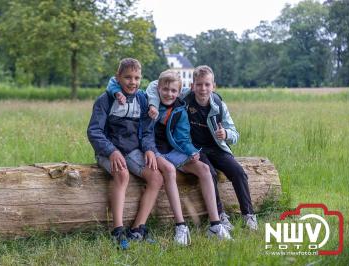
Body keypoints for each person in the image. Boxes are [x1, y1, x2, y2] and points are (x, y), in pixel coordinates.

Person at [108, 69, 232, 243]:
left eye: (174, 90)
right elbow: (114, 82)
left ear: (179, 91)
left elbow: (182, 137)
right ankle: (180, 226)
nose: (169, 94)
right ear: (158, 88)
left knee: (203, 169)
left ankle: (215, 224)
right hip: (151, 148)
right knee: (169, 169)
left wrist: (191, 152)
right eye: (165, 89)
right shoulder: (148, 100)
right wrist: (117, 92)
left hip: (171, 148)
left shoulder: (180, 108)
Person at [146, 65, 258, 231]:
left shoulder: (219, 105)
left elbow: (235, 133)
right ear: (192, 86)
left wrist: (226, 134)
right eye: (199, 84)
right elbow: (156, 84)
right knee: (209, 172)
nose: (203, 88)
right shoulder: (185, 95)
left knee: (238, 171)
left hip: (217, 147)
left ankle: (248, 214)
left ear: (214, 86)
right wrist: (154, 105)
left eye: (207, 84)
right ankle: (220, 215)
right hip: (196, 148)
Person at [87, 58, 164, 250]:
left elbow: (146, 131)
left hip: (132, 150)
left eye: (137, 78)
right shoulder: (105, 100)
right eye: (128, 77)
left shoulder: (142, 99)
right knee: (122, 174)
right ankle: (118, 231)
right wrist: (111, 151)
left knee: (156, 177)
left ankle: (138, 229)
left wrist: (149, 149)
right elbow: (94, 131)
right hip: (108, 150)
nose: (133, 82)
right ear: (118, 78)